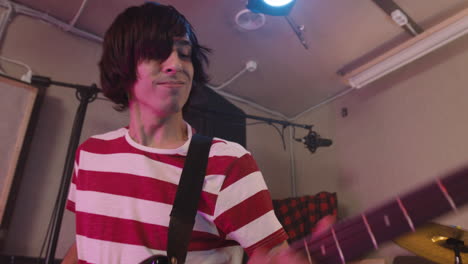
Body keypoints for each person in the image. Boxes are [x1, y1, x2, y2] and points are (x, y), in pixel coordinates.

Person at [61, 3, 327, 263]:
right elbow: (86, 241)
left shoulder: (228, 163)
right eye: (158, 52)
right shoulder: (90, 153)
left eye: (184, 53)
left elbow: (275, 255)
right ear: (123, 66)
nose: (176, 64)